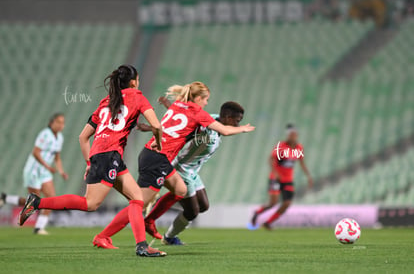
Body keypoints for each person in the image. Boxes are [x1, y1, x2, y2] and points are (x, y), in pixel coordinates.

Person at [18, 64, 166, 257]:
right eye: (137, 79)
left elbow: (83, 137)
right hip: (109, 155)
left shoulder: (106, 101)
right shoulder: (137, 96)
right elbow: (157, 125)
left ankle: (140, 246)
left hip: (103, 154)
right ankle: (37, 202)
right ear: (133, 82)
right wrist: (158, 144)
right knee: (90, 204)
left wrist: (89, 162)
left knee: (137, 199)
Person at [93, 82, 255, 247]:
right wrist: (243, 129)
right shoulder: (199, 114)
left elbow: (176, 125)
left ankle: (150, 220)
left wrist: (158, 117)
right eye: (205, 99)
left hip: (159, 156)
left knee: (180, 189)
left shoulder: (179, 105)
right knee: (138, 203)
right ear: (198, 98)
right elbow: (225, 131)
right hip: (157, 158)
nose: (206, 103)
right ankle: (103, 235)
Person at [138, 99, 245, 245]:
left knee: (203, 206)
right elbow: (182, 126)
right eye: (237, 121)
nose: (237, 125)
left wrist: (168, 105)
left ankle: (168, 199)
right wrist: (151, 128)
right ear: (227, 118)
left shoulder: (212, 119)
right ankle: (167, 235)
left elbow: (186, 116)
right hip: (182, 169)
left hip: (193, 171)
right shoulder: (207, 129)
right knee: (192, 212)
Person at [0, 113, 68, 235]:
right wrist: (48, 166)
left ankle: (38, 228)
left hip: (45, 172)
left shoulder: (60, 138)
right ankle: (6, 198)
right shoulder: (45, 134)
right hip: (33, 171)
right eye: (58, 122)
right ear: (51, 123)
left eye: (63, 122)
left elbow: (57, 157)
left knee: (51, 199)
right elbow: (36, 152)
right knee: (35, 202)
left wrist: (61, 171)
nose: (61, 125)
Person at [251, 124, 312, 230]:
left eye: (294, 135)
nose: (292, 137)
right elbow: (271, 159)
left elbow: (302, 162)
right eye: (290, 134)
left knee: (287, 203)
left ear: (296, 135)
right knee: (273, 203)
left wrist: (308, 176)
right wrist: (275, 173)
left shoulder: (299, 148)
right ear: (288, 135)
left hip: (288, 180)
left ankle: (268, 223)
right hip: (276, 178)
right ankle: (257, 212)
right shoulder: (281, 146)